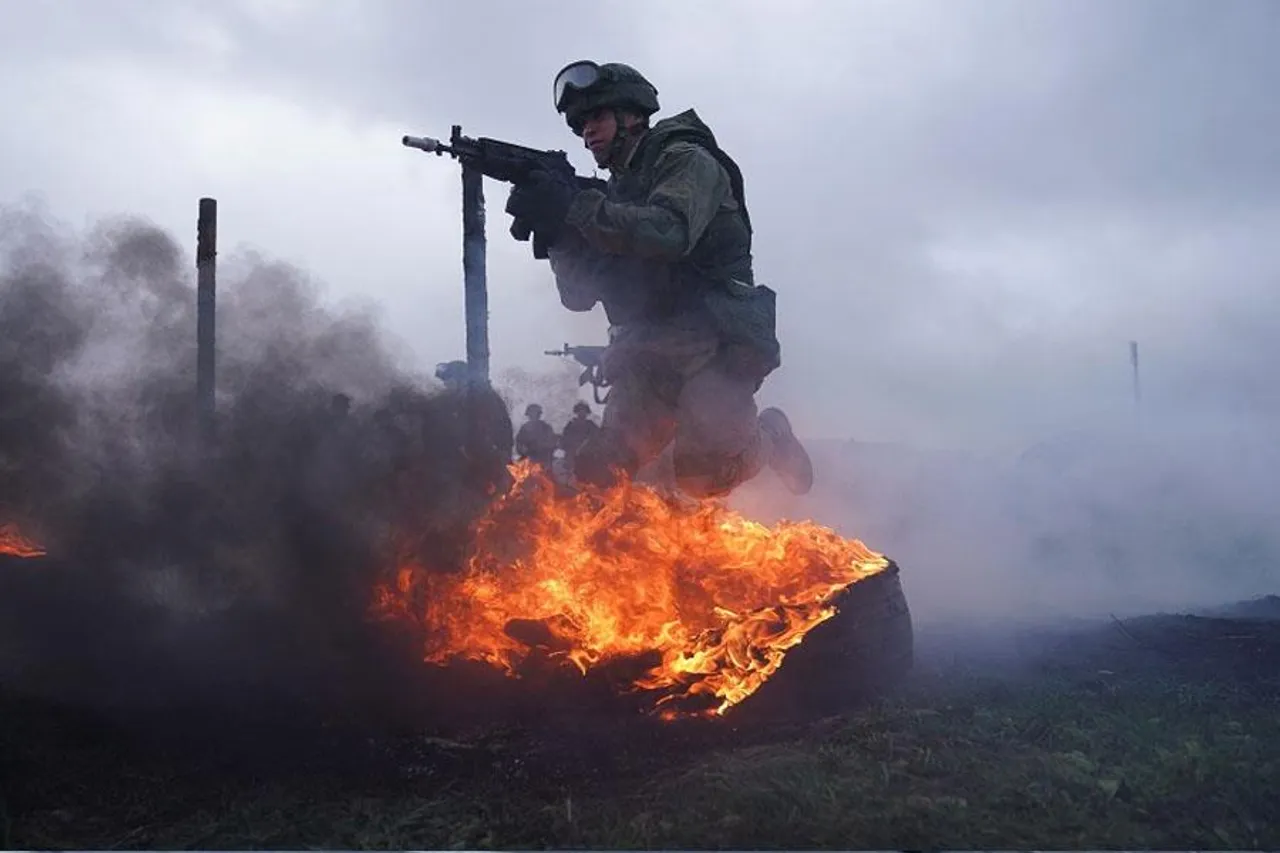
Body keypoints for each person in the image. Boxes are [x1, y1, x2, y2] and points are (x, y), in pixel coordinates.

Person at [503, 60, 814, 499]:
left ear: (631, 115)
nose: (587, 131)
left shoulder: (686, 159)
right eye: (580, 125)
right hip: (646, 351)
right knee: (599, 468)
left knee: (704, 478)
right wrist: (557, 235)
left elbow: (669, 232)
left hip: (713, 346)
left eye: (597, 117)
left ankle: (770, 437)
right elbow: (578, 297)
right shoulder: (613, 195)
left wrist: (575, 207)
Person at [559, 400, 599, 478]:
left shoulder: (590, 425)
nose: (582, 413)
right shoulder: (570, 425)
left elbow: (597, 437)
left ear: (587, 412)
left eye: (584, 411)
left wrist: (585, 445)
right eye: (580, 410)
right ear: (576, 412)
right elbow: (564, 440)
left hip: (587, 455)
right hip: (572, 455)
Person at [514, 402, 559, 472]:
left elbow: (552, 443)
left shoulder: (546, 427)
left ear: (539, 414)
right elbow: (519, 444)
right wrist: (523, 450)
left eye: (535, 413)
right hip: (529, 460)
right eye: (531, 414)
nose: (533, 415)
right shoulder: (524, 428)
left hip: (545, 460)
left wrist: (543, 446)